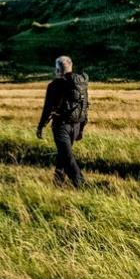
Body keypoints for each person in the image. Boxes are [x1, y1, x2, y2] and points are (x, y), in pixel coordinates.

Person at [37, 55, 89, 187]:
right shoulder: (82, 83)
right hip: (77, 124)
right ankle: (58, 181)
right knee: (63, 154)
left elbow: (48, 108)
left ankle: (81, 185)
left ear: (58, 70)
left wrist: (41, 126)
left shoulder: (54, 85)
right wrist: (81, 128)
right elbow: (85, 105)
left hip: (61, 126)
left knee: (67, 157)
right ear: (71, 67)